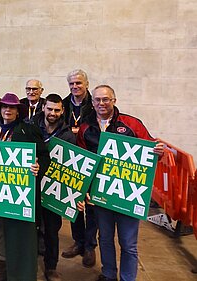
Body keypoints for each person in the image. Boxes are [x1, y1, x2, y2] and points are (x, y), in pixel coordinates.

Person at [77, 85, 164, 281]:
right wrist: (85, 190)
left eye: (106, 99)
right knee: (105, 239)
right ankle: (108, 274)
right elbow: (82, 163)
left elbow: (151, 150)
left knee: (128, 243)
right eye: (98, 100)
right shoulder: (85, 127)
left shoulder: (132, 123)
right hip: (100, 195)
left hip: (128, 195)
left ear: (114, 100)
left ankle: (127, 278)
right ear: (92, 102)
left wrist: (159, 152)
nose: (102, 103)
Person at [0, 92, 50, 281]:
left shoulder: (28, 130)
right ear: (0, 109)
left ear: (18, 112)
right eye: (4, 107)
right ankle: (2, 269)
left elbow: (44, 156)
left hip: (20, 193)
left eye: (12, 107)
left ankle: (20, 271)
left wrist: (38, 167)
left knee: (20, 232)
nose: (8, 110)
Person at [30, 93, 76, 281]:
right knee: (31, 229)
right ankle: (28, 264)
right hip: (31, 186)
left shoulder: (68, 135)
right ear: (43, 108)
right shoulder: (30, 127)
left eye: (57, 110)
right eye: (49, 109)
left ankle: (51, 267)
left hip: (53, 189)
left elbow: (73, 167)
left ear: (62, 111)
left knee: (51, 230)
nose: (53, 113)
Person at [61, 69, 97, 268]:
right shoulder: (64, 105)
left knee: (91, 205)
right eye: (72, 84)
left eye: (78, 83)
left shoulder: (94, 104)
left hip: (90, 157)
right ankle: (79, 241)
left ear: (86, 84)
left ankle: (90, 246)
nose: (75, 87)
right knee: (73, 203)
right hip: (70, 160)